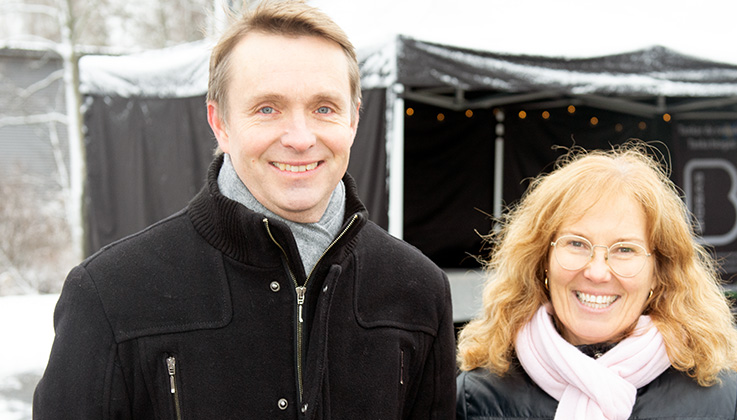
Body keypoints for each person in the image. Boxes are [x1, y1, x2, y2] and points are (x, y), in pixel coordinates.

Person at [34, 1, 456, 418]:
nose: (299, 137)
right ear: (220, 123)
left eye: (324, 108)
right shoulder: (110, 294)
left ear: (353, 121)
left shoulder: (419, 292)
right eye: (267, 108)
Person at [455, 142, 737, 419]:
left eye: (625, 249)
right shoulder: (476, 397)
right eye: (576, 243)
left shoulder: (723, 400)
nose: (597, 271)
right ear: (542, 262)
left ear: (659, 272)